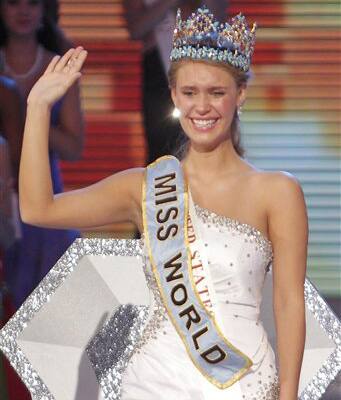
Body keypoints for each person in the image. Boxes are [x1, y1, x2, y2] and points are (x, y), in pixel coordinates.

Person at [18, 6, 307, 400]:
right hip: (153, 381)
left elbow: (289, 303)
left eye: (216, 92)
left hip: (242, 382)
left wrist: (288, 394)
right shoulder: (144, 185)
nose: (201, 106)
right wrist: (37, 108)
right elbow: (37, 209)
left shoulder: (277, 191)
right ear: (173, 95)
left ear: (241, 94)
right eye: (189, 92)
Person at [0, 0, 84, 307]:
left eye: (32, 3)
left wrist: (33, 113)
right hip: (2, 199)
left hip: (44, 197)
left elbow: (75, 148)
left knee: (46, 310)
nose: (23, 11)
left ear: (44, 10)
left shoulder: (59, 68)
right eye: (13, 3)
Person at [124, 0, 226, 164]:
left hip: (200, 64)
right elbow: (136, 29)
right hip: (158, 74)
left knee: (205, 140)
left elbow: (216, 22)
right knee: (161, 145)